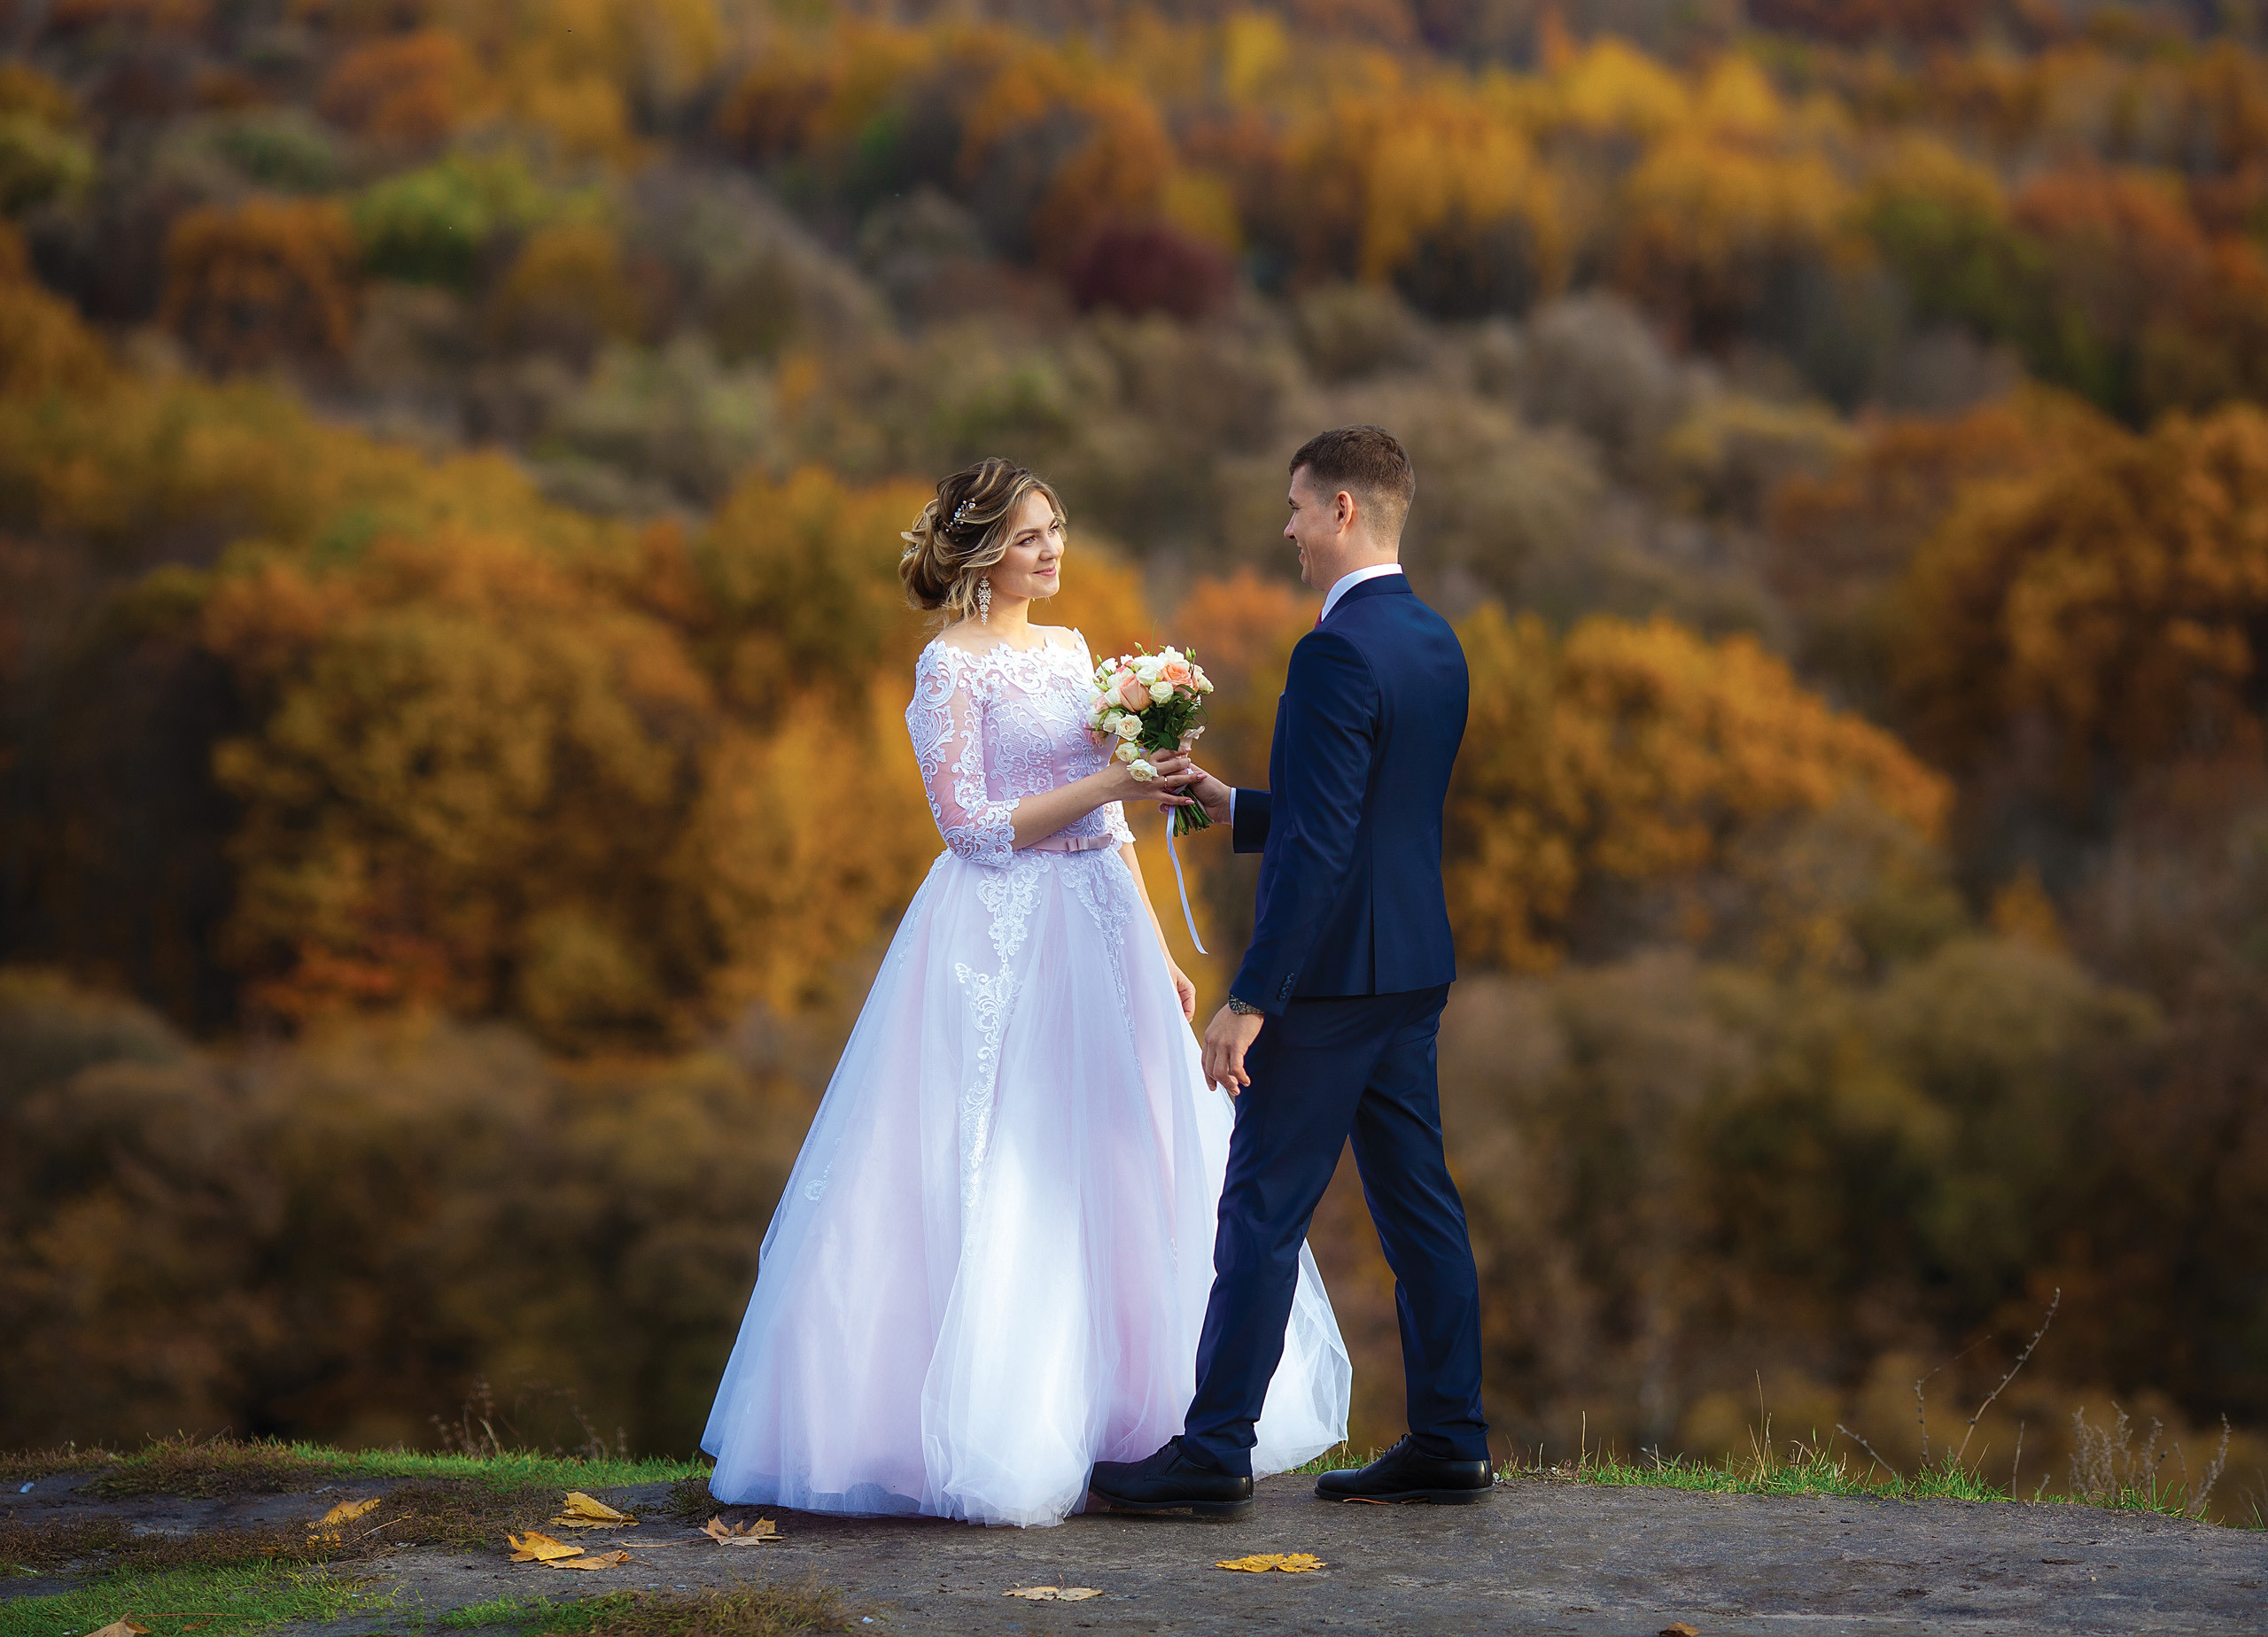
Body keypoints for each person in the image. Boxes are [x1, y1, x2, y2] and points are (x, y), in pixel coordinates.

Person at [702, 456, 1349, 1527]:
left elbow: (1105, 826)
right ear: (980, 551)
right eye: (1031, 537)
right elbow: (969, 827)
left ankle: (1131, 1417)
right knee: (1005, 1158)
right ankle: (995, 1426)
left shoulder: (1069, 649)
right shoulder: (948, 669)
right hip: (999, 935)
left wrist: (1155, 940)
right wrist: (1114, 777)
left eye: (1058, 531)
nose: (1054, 551)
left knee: (1122, 1151)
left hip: (1099, 918)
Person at [1089, 425, 1492, 1515]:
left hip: (1327, 988)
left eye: (1300, 508)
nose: (1289, 530)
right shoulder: (1433, 641)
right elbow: (1364, 817)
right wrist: (1235, 806)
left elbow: (1321, 852)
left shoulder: (1334, 652)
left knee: (1260, 1210)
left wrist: (1251, 999)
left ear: (1346, 511)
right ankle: (1453, 1436)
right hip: (1410, 969)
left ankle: (1212, 1451)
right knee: (1421, 1212)